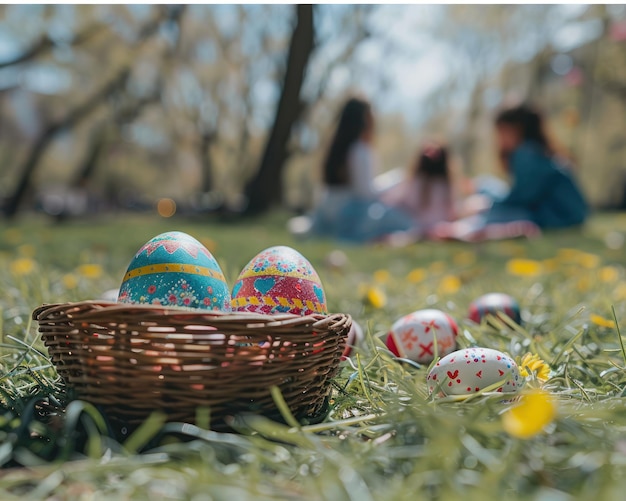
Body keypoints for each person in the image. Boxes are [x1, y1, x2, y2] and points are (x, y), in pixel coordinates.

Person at [432, 104, 588, 241]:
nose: (498, 139)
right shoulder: (536, 152)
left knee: (499, 209)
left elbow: (522, 197)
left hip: (560, 217)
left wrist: (488, 205)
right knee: (488, 188)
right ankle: (468, 224)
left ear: (515, 130)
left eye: (500, 131)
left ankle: (464, 229)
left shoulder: (525, 153)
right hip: (570, 215)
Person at [309, 97, 416, 243]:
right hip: (349, 216)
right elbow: (365, 193)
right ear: (365, 119)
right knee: (406, 223)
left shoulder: (336, 148)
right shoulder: (360, 150)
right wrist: (396, 179)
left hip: (326, 213)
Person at [381, 143, 457, 231]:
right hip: (438, 226)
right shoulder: (447, 185)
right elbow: (452, 212)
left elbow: (395, 201)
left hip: (415, 226)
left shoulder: (415, 182)